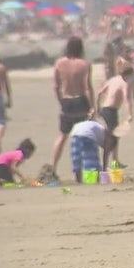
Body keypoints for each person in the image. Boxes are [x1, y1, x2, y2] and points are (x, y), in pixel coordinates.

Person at [51, 36, 95, 176]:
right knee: (84, 136)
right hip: (81, 102)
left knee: (62, 136)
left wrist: (61, 103)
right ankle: (82, 170)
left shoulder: (59, 63)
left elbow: (56, 87)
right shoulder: (85, 64)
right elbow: (87, 87)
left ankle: (53, 168)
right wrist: (92, 107)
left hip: (67, 102)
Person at [97, 66, 134, 170]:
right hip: (111, 112)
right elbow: (127, 100)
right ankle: (107, 165)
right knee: (112, 139)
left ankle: (114, 161)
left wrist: (98, 108)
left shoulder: (113, 80)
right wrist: (130, 114)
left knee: (113, 137)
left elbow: (99, 93)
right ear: (128, 75)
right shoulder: (124, 83)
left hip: (105, 110)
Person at [69, 117, 111, 183]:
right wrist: (104, 169)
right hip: (88, 135)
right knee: (91, 159)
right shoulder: (106, 135)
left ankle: (78, 181)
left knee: (76, 159)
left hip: (75, 133)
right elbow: (105, 153)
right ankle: (92, 180)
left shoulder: (99, 128)